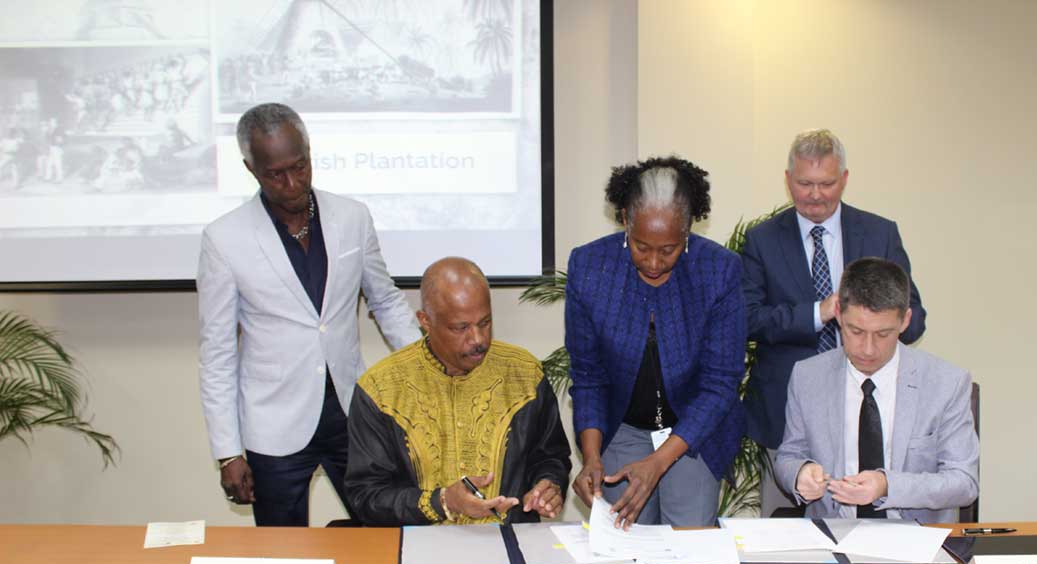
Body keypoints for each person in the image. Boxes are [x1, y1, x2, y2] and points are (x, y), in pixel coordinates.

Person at [198, 102, 419, 526]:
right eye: (275, 174)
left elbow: (385, 301)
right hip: (273, 425)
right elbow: (217, 353)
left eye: (300, 167)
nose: (292, 182)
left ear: (310, 153)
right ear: (251, 168)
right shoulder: (224, 239)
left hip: (354, 414)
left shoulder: (352, 217)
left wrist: (429, 368)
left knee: (383, 533)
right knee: (282, 555)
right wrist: (228, 451)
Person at [742, 129, 928, 516]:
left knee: (875, 526)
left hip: (871, 411)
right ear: (788, 179)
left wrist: (868, 320)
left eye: (826, 183)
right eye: (805, 183)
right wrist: (819, 312)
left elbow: (914, 319)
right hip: (786, 418)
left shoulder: (879, 233)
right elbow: (748, 319)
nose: (815, 194)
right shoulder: (763, 240)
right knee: (786, 542)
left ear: (844, 179)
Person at [565, 156, 746, 528]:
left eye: (669, 249)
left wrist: (659, 461)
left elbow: (720, 383)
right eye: (641, 246)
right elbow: (589, 376)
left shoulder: (718, 270)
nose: (653, 262)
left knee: (689, 540)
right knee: (624, 543)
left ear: (689, 230)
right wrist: (592, 458)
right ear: (625, 221)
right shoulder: (590, 267)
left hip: (692, 431)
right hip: (622, 427)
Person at [345, 258, 571, 525]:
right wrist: (441, 502)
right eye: (460, 327)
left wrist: (549, 484)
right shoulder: (381, 390)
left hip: (508, 543)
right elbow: (366, 496)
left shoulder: (524, 375)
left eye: (485, 322)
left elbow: (550, 456)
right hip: (419, 549)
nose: (477, 339)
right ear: (425, 321)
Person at [774, 257, 977, 523]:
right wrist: (801, 473)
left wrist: (886, 485)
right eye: (855, 331)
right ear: (837, 313)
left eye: (883, 334)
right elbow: (789, 456)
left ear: (905, 321)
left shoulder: (947, 383)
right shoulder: (808, 376)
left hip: (916, 540)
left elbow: (964, 482)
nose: (868, 349)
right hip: (832, 535)